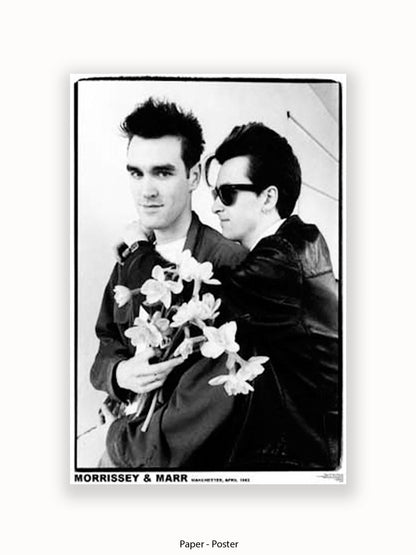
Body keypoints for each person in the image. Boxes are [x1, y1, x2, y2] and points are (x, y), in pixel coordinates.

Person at [103, 122, 340, 471]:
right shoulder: (296, 245)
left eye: (227, 194)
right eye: (215, 194)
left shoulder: (282, 259)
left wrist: (138, 245)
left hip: (298, 456)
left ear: (268, 198)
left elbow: (192, 302)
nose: (215, 207)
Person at [84, 99, 246, 465]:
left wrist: (117, 441)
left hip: (164, 462)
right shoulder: (129, 257)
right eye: (136, 173)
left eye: (162, 173)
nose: (146, 191)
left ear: (193, 176)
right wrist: (119, 374)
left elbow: (209, 409)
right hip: (119, 437)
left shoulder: (228, 263)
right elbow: (106, 345)